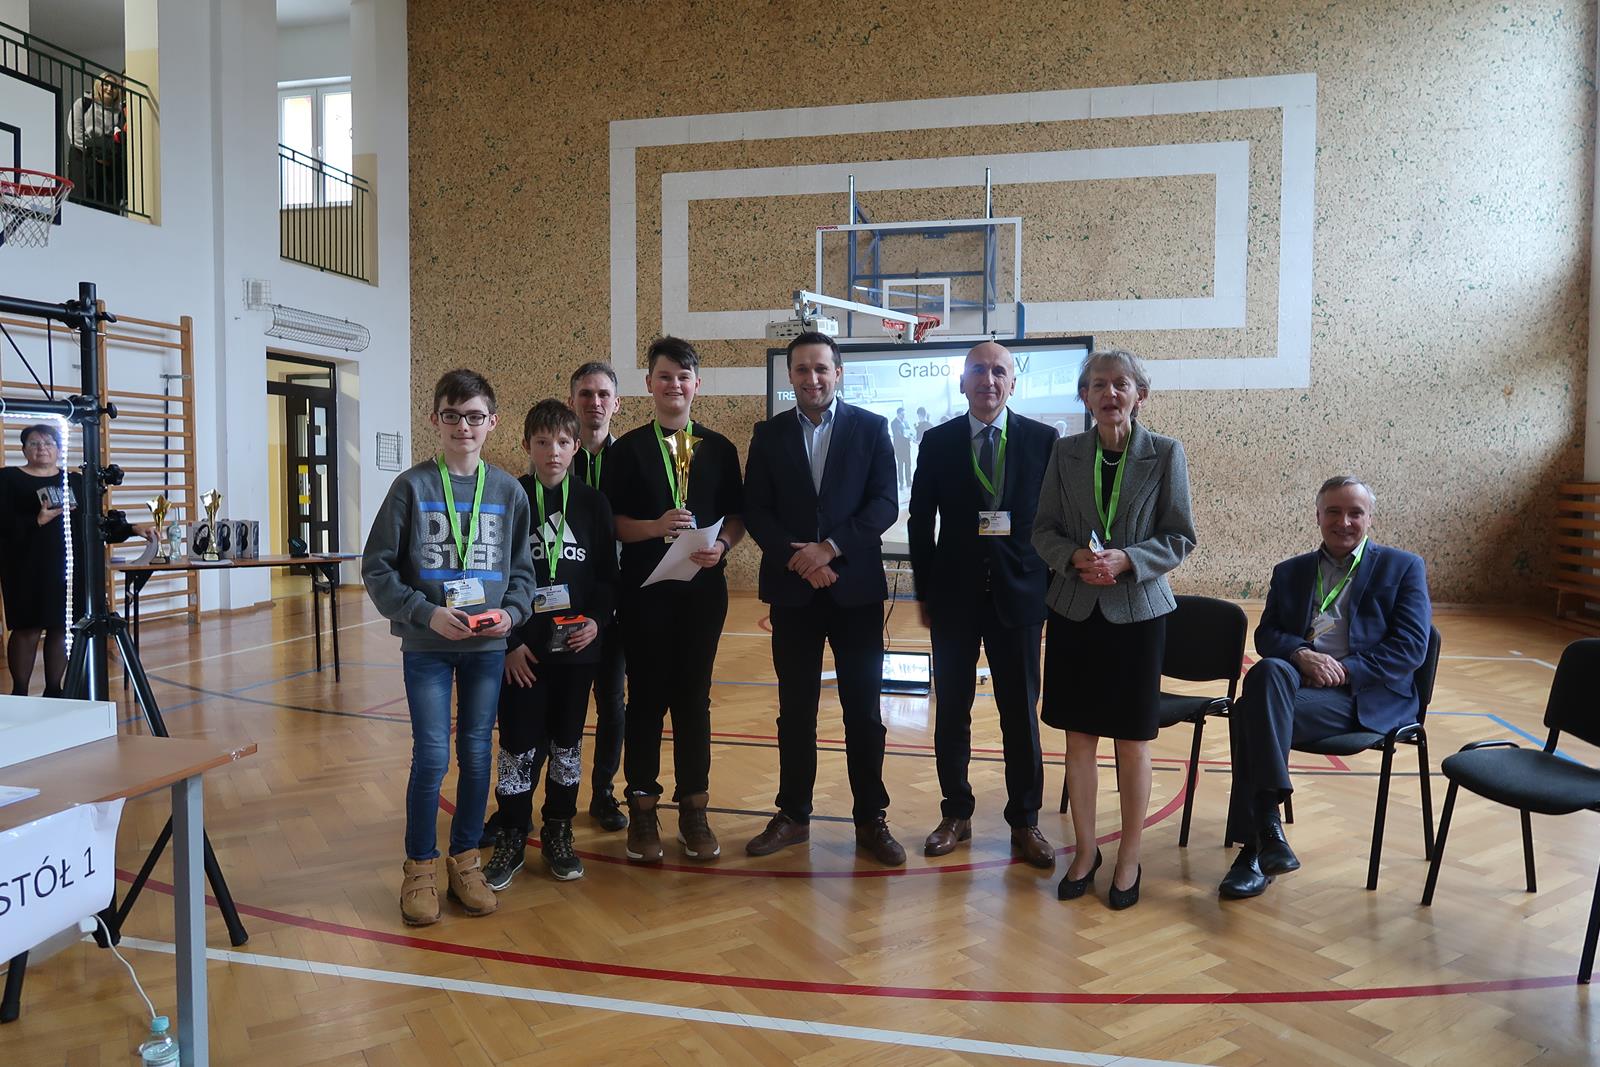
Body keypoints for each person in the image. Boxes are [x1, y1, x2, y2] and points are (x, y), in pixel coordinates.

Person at [362, 369, 536, 926]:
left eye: (475, 416)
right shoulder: (411, 487)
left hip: (486, 648)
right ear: (435, 419)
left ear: (493, 422)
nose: (464, 426)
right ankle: (419, 867)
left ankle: (466, 862)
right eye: (453, 415)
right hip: (427, 645)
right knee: (433, 755)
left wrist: (510, 615)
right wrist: (427, 613)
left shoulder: (508, 491)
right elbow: (377, 568)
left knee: (478, 754)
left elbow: (523, 575)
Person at [1032, 348, 1195, 909]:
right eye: (1098, 385)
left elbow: (1180, 536)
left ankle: (1128, 856)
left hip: (1138, 614)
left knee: (1131, 741)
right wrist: (1073, 556)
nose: (1109, 394)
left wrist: (1129, 559)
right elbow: (1043, 530)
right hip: (1074, 609)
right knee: (1079, 739)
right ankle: (1085, 852)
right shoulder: (1065, 453)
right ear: (1084, 396)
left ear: (1139, 394)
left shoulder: (1166, 453)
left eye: (1120, 383)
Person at [1218, 477, 1431, 899]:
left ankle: (1257, 842)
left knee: (1248, 714)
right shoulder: (1291, 571)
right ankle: (1267, 832)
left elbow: (1411, 647)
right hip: (1299, 684)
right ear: (1318, 516)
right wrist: (1301, 654)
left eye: (1355, 513)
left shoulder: (1403, 567)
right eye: (1333, 511)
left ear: (1369, 518)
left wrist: (1345, 670)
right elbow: (1268, 635)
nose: (1343, 522)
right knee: (1267, 672)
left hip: (1364, 695)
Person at [741, 332, 905, 866]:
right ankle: (793, 815)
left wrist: (829, 549)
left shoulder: (871, 428)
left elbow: (884, 504)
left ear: (838, 373)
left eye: (820, 368)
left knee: (863, 713)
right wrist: (802, 561)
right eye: (801, 370)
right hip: (794, 594)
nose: (811, 378)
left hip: (855, 592)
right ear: (790, 376)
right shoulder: (768, 435)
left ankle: (871, 819)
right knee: (795, 712)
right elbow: (756, 509)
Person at [908, 342, 1058, 870]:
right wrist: (924, 592)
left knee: (1020, 713)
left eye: (999, 371)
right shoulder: (939, 441)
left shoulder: (1043, 440)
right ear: (963, 381)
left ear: (1013, 383)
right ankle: (956, 812)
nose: (988, 380)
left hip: (1021, 597)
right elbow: (920, 521)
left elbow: (1056, 523)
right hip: (953, 598)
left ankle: (1025, 820)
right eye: (978, 370)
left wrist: (1049, 593)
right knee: (952, 711)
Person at [604, 336, 745, 863]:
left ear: (696, 385)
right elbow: (612, 523)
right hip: (645, 596)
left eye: (684, 377)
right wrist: (655, 526)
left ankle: (693, 809)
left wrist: (722, 545)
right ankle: (642, 810)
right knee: (644, 700)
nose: (674, 385)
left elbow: (738, 516)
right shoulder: (627, 451)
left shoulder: (720, 449)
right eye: (665, 376)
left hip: (703, 595)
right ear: (649, 384)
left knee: (693, 700)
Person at [482, 400, 617, 888]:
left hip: (577, 650)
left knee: (566, 743)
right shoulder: (511, 498)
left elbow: (607, 578)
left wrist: (596, 623)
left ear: (576, 447)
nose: (552, 452)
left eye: (562, 443)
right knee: (517, 743)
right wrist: (510, 641)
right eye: (542, 442)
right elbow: (493, 577)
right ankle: (513, 831)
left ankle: (559, 827)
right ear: (526, 446)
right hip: (524, 653)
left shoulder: (594, 504)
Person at [568, 360, 628, 832]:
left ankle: (604, 792)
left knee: (611, 701)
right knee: (559, 703)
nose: (595, 402)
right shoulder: (554, 456)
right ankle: (548, 798)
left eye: (603, 394)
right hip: (562, 602)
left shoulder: (631, 459)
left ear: (617, 403)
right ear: (572, 402)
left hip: (616, 602)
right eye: (586, 394)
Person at [0, 424, 84, 697]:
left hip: (67, 565)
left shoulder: (74, 481)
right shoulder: (8, 478)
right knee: (27, 628)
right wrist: (36, 520)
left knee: (61, 626)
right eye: (34, 443)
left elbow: (91, 520)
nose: (42, 448)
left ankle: (54, 690)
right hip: (25, 565)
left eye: (48, 443)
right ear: (23, 449)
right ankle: (20, 692)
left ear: (59, 449)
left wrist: (132, 529)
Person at [67, 73, 127, 212]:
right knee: (83, 201)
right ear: (98, 85)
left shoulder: (118, 113)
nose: (109, 89)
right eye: (106, 84)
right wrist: (89, 153)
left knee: (106, 205)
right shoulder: (84, 103)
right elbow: (75, 131)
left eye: (114, 86)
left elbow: (117, 139)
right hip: (83, 156)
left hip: (106, 162)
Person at [890, 407, 912, 489]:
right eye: (902, 414)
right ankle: (901, 483)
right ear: (898, 414)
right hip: (899, 447)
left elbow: (909, 431)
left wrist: (910, 436)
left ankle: (909, 481)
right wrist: (906, 437)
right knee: (900, 465)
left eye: (904, 414)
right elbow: (897, 435)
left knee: (908, 464)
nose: (904, 416)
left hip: (906, 446)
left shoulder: (906, 422)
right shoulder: (893, 423)